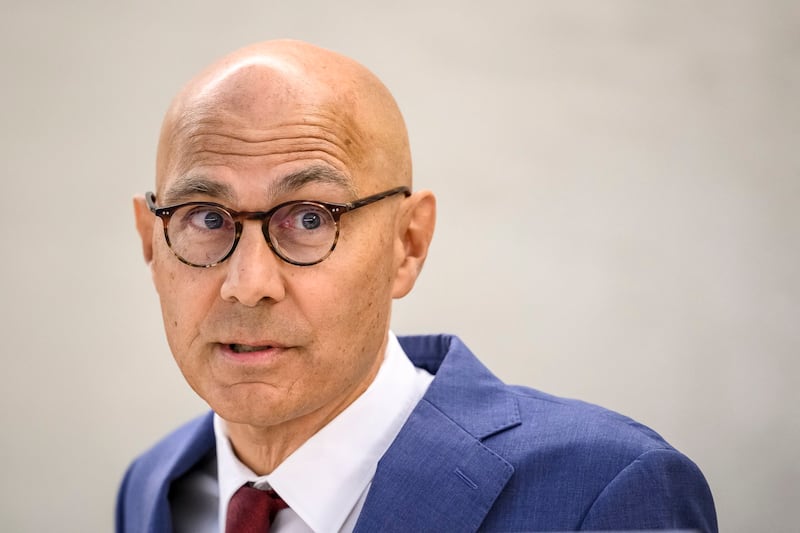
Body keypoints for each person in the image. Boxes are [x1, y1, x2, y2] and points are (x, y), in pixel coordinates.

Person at [117, 39, 718, 533]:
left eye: (309, 219)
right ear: (152, 244)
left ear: (409, 244)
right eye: (206, 218)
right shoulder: (152, 489)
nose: (247, 286)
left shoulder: (603, 493)